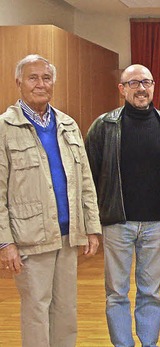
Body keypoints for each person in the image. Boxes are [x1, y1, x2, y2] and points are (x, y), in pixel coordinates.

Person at [0, 54, 101, 347]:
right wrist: (5, 242)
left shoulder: (67, 124)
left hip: (68, 235)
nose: (40, 84)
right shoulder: (5, 128)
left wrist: (91, 226)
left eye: (46, 78)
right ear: (19, 82)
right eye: (33, 78)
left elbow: (85, 181)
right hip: (30, 237)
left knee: (66, 310)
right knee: (36, 310)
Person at [84, 64, 160, 347]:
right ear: (122, 88)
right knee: (116, 291)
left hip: (157, 224)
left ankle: (149, 343)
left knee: (151, 291)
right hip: (117, 222)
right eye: (134, 82)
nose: (141, 88)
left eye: (147, 82)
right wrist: (92, 222)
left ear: (153, 86)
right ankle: (123, 344)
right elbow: (89, 175)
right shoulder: (104, 126)